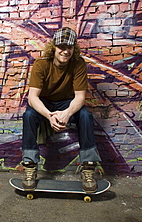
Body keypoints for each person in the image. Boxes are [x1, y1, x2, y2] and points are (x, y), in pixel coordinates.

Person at [21, 27, 101, 193]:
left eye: (69, 47)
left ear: (74, 48)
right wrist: (50, 116)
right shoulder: (41, 64)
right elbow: (33, 97)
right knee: (28, 114)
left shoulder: (78, 64)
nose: (65, 51)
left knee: (85, 115)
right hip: (45, 104)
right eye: (62, 47)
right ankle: (29, 166)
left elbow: (79, 97)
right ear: (54, 47)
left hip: (67, 103)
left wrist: (66, 114)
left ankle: (88, 167)